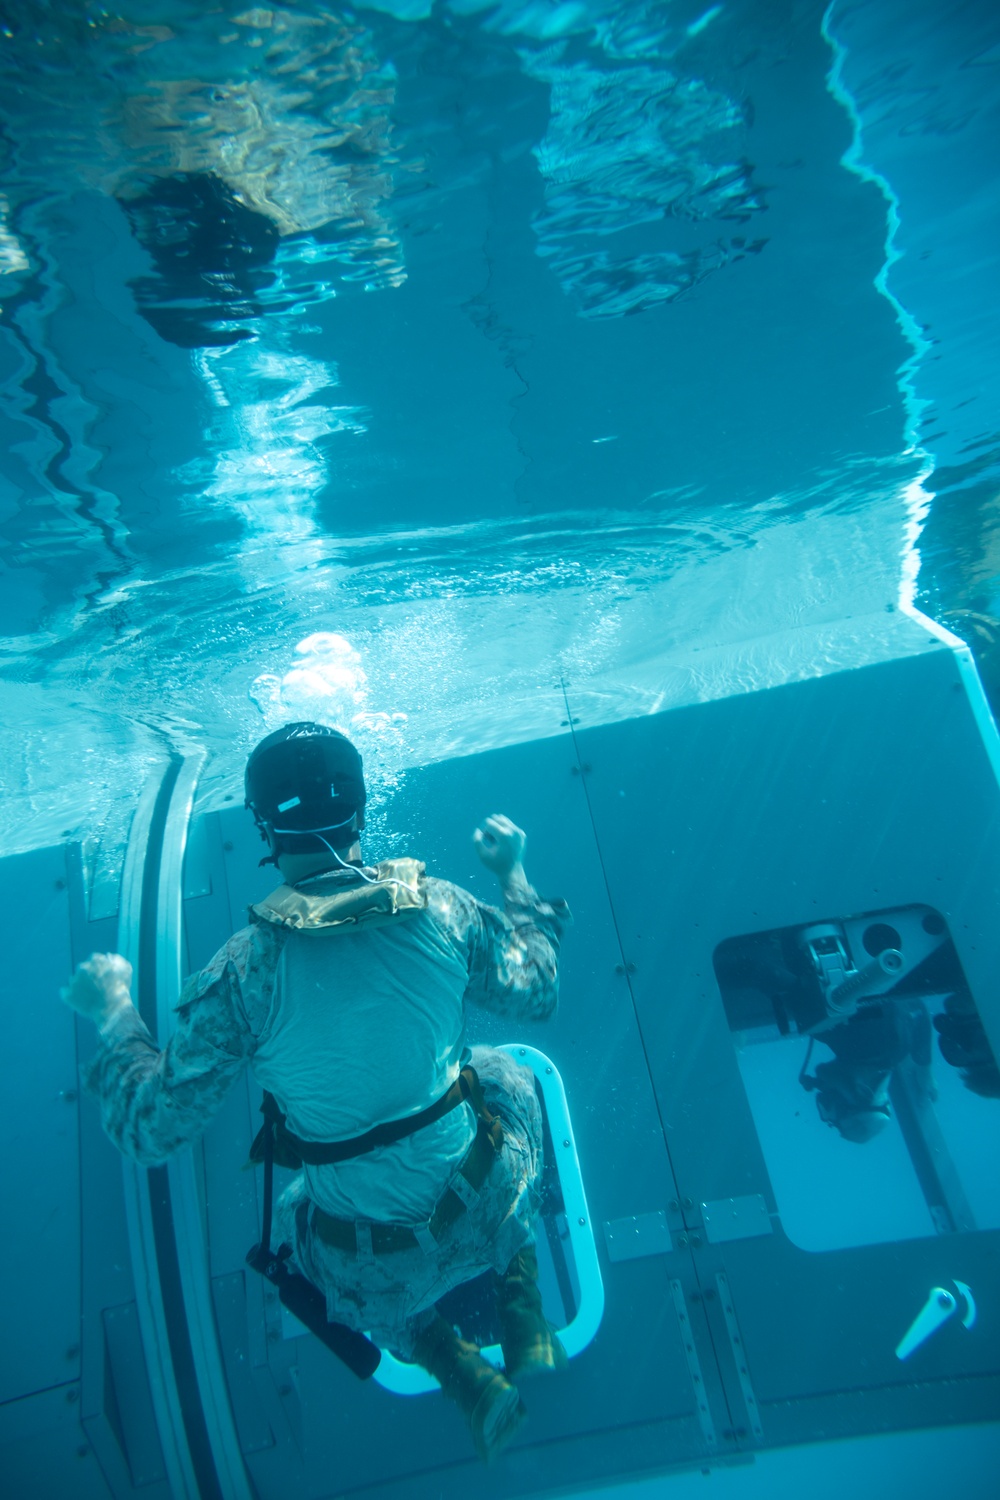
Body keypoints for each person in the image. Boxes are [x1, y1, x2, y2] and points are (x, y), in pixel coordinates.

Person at [62, 722, 571, 1462]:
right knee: (502, 1074)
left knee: (303, 1209)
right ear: (362, 809)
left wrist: (112, 1010)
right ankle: (520, 1288)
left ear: (264, 826)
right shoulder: (443, 908)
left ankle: (449, 1362)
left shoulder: (245, 973)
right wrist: (514, 874)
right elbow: (540, 991)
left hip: (372, 1262)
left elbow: (151, 1130)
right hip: (483, 1203)